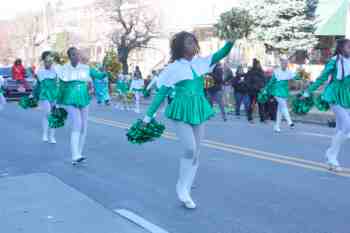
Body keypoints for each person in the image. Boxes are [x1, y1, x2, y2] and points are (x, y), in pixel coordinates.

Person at [140, 31, 234, 209]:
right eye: (189, 42)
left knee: (197, 152)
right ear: (181, 47)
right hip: (181, 109)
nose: (193, 45)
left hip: (198, 108)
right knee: (190, 149)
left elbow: (222, 52)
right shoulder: (173, 68)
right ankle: (182, 188)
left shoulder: (201, 62)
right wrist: (147, 117)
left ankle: (186, 188)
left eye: (193, 42)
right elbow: (161, 94)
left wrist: (232, 39)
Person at [303, 39, 350, 172]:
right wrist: (308, 91)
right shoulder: (334, 61)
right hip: (334, 94)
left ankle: (332, 158)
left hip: (347, 96)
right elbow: (322, 77)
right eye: (348, 47)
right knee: (347, 126)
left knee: (340, 129)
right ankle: (331, 154)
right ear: (341, 48)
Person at [56, 47, 93, 165]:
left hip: (84, 98)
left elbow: (91, 81)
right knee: (77, 123)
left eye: (77, 54)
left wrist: (91, 88)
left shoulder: (85, 68)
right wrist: (57, 104)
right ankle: (75, 155)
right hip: (71, 99)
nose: (77, 56)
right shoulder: (64, 69)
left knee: (84, 126)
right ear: (69, 56)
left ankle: (79, 154)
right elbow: (61, 87)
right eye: (73, 55)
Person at [263, 56, 300, 132]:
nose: (285, 65)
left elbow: (296, 77)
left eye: (286, 63)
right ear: (281, 64)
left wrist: (299, 74)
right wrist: (265, 89)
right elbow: (271, 82)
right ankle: (290, 122)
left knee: (280, 110)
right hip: (277, 91)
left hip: (285, 92)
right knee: (283, 105)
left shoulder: (289, 71)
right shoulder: (276, 71)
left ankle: (276, 126)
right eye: (284, 63)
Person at [37, 51, 59, 144]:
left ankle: (52, 136)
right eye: (46, 61)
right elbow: (38, 85)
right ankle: (45, 134)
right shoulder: (40, 71)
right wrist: (33, 95)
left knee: (53, 115)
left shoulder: (56, 70)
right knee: (48, 113)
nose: (48, 63)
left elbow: (60, 83)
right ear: (44, 61)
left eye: (50, 61)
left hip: (54, 95)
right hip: (45, 94)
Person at [246, 59, 267, 123]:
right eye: (258, 64)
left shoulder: (261, 72)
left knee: (261, 105)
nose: (259, 65)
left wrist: (263, 88)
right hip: (253, 92)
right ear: (255, 65)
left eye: (259, 64)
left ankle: (262, 119)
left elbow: (264, 81)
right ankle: (250, 118)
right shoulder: (251, 72)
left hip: (260, 92)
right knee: (252, 105)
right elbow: (247, 82)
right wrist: (254, 87)